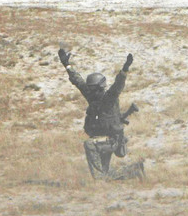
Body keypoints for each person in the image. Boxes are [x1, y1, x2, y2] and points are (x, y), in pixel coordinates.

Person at [58, 46, 144, 180]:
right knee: (106, 174)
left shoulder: (109, 98)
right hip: (102, 139)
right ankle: (134, 170)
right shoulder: (92, 97)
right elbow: (78, 81)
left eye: (93, 89)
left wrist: (125, 68)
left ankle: (100, 180)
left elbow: (118, 85)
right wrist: (66, 65)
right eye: (90, 89)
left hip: (112, 140)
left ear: (100, 88)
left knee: (89, 146)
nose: (90, 91)